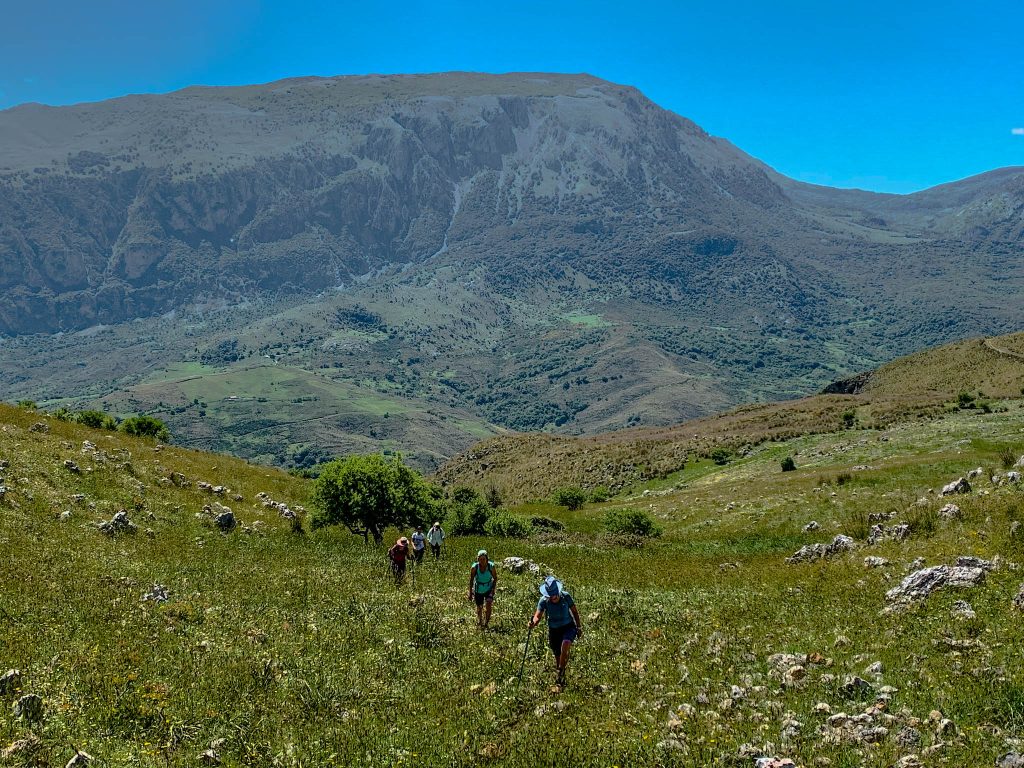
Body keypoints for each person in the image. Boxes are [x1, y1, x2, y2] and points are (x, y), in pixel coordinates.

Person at [528, 576, 582, 688]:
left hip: (568, 627)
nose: (554, 597)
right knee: (558, 654)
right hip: (554, 630)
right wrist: (533, 623)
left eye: (555, 594)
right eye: (551, 595)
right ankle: (561, 675)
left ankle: (561, 670)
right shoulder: (543, 601)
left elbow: (575, 612)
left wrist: (579, 627)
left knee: (565, 644)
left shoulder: (566, 596)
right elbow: (537, 616)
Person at [467, 549, 497, 628]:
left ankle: (486, 623)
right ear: (478, 559)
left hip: (488, 588)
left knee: (488, 605)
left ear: (487, 559)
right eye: (480, 559)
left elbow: (495, 578)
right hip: (478, 589)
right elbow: (471, 579)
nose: (482, 561)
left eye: (484, 559)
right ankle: (480, 621)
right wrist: (470, 592)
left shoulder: (491, 566)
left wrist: (493, 589)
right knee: (479, 607)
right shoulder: (474, 567)